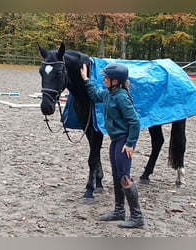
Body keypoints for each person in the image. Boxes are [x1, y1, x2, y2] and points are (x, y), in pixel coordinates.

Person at [80, 63, 145, 229]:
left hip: (123, 141)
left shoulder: (122, 97)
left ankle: (137, 217)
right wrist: (86, 79)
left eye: (106, 78)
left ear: (116, 80)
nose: (104, 79)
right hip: (116, 141)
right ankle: (119, 211)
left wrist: (130, 144)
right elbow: (95, 95)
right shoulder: (110, 94)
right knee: (116, 176)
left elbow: (135, 122)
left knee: (124, 177)